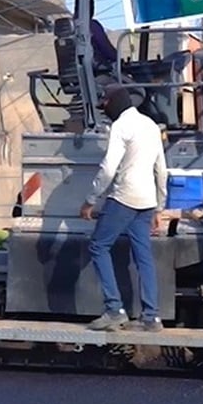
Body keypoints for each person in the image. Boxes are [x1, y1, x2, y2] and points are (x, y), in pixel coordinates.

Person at [80, 86, 169, 332]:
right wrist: (159, 207)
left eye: (105, 106)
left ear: (113, 103)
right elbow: (161, 169)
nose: (105, 112)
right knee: (143, 257)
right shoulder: (151, 125)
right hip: (147, 201)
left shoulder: (121, 126)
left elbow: (109, 168)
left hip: (124, 197)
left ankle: (114, 310)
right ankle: (151, 317)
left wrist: (90, 200)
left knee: (98, 246)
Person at [75, 0, 119, 68]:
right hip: (97, 72)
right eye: (92, 6)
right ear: (89, 7)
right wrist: (118, 58)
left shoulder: (70, 27)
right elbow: (106, 49)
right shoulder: (91, 25)